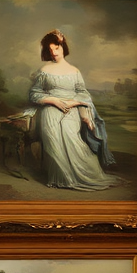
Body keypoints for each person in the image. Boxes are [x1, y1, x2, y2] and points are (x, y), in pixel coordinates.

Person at [26, 30, 117, 191]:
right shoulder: (44, 70)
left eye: (57, 48)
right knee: (54, 146)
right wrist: (54, 100)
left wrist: (75, 105)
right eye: (50, 50)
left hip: (71, 111)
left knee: (75, 144)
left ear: (63, 47)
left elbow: (83, 93)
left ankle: (84, 176)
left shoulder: (75, 71)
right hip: (50, 111)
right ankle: (61, 179)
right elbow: (34, 94)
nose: (54, 53)